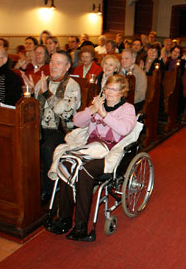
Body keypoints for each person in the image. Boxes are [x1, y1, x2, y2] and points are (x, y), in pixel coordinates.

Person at [45, 75, 136, 241]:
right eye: (108, 88)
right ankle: (64, 218)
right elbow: (77, 121)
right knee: (66, 163)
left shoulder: (127, 109)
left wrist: (104, 114)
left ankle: (80, 226)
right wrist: (93, 110)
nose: (109, 92)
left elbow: (124, 129)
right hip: (89, 147)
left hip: (110, 150)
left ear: (122, 92)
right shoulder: (98, 104)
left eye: (114, 89)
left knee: (83, 171)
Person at [33, 50, 81, 204]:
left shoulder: (72, 86)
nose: (53, 66)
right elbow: (34, 106)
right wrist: (28, 94)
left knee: (48, 148)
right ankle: (29, 188)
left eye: (58, 63)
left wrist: (46, 93)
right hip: (39, 127)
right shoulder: (43, 80)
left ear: (67, 66)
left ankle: (49, 189)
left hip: (61, 130)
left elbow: (65, 113)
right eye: (52, 62)